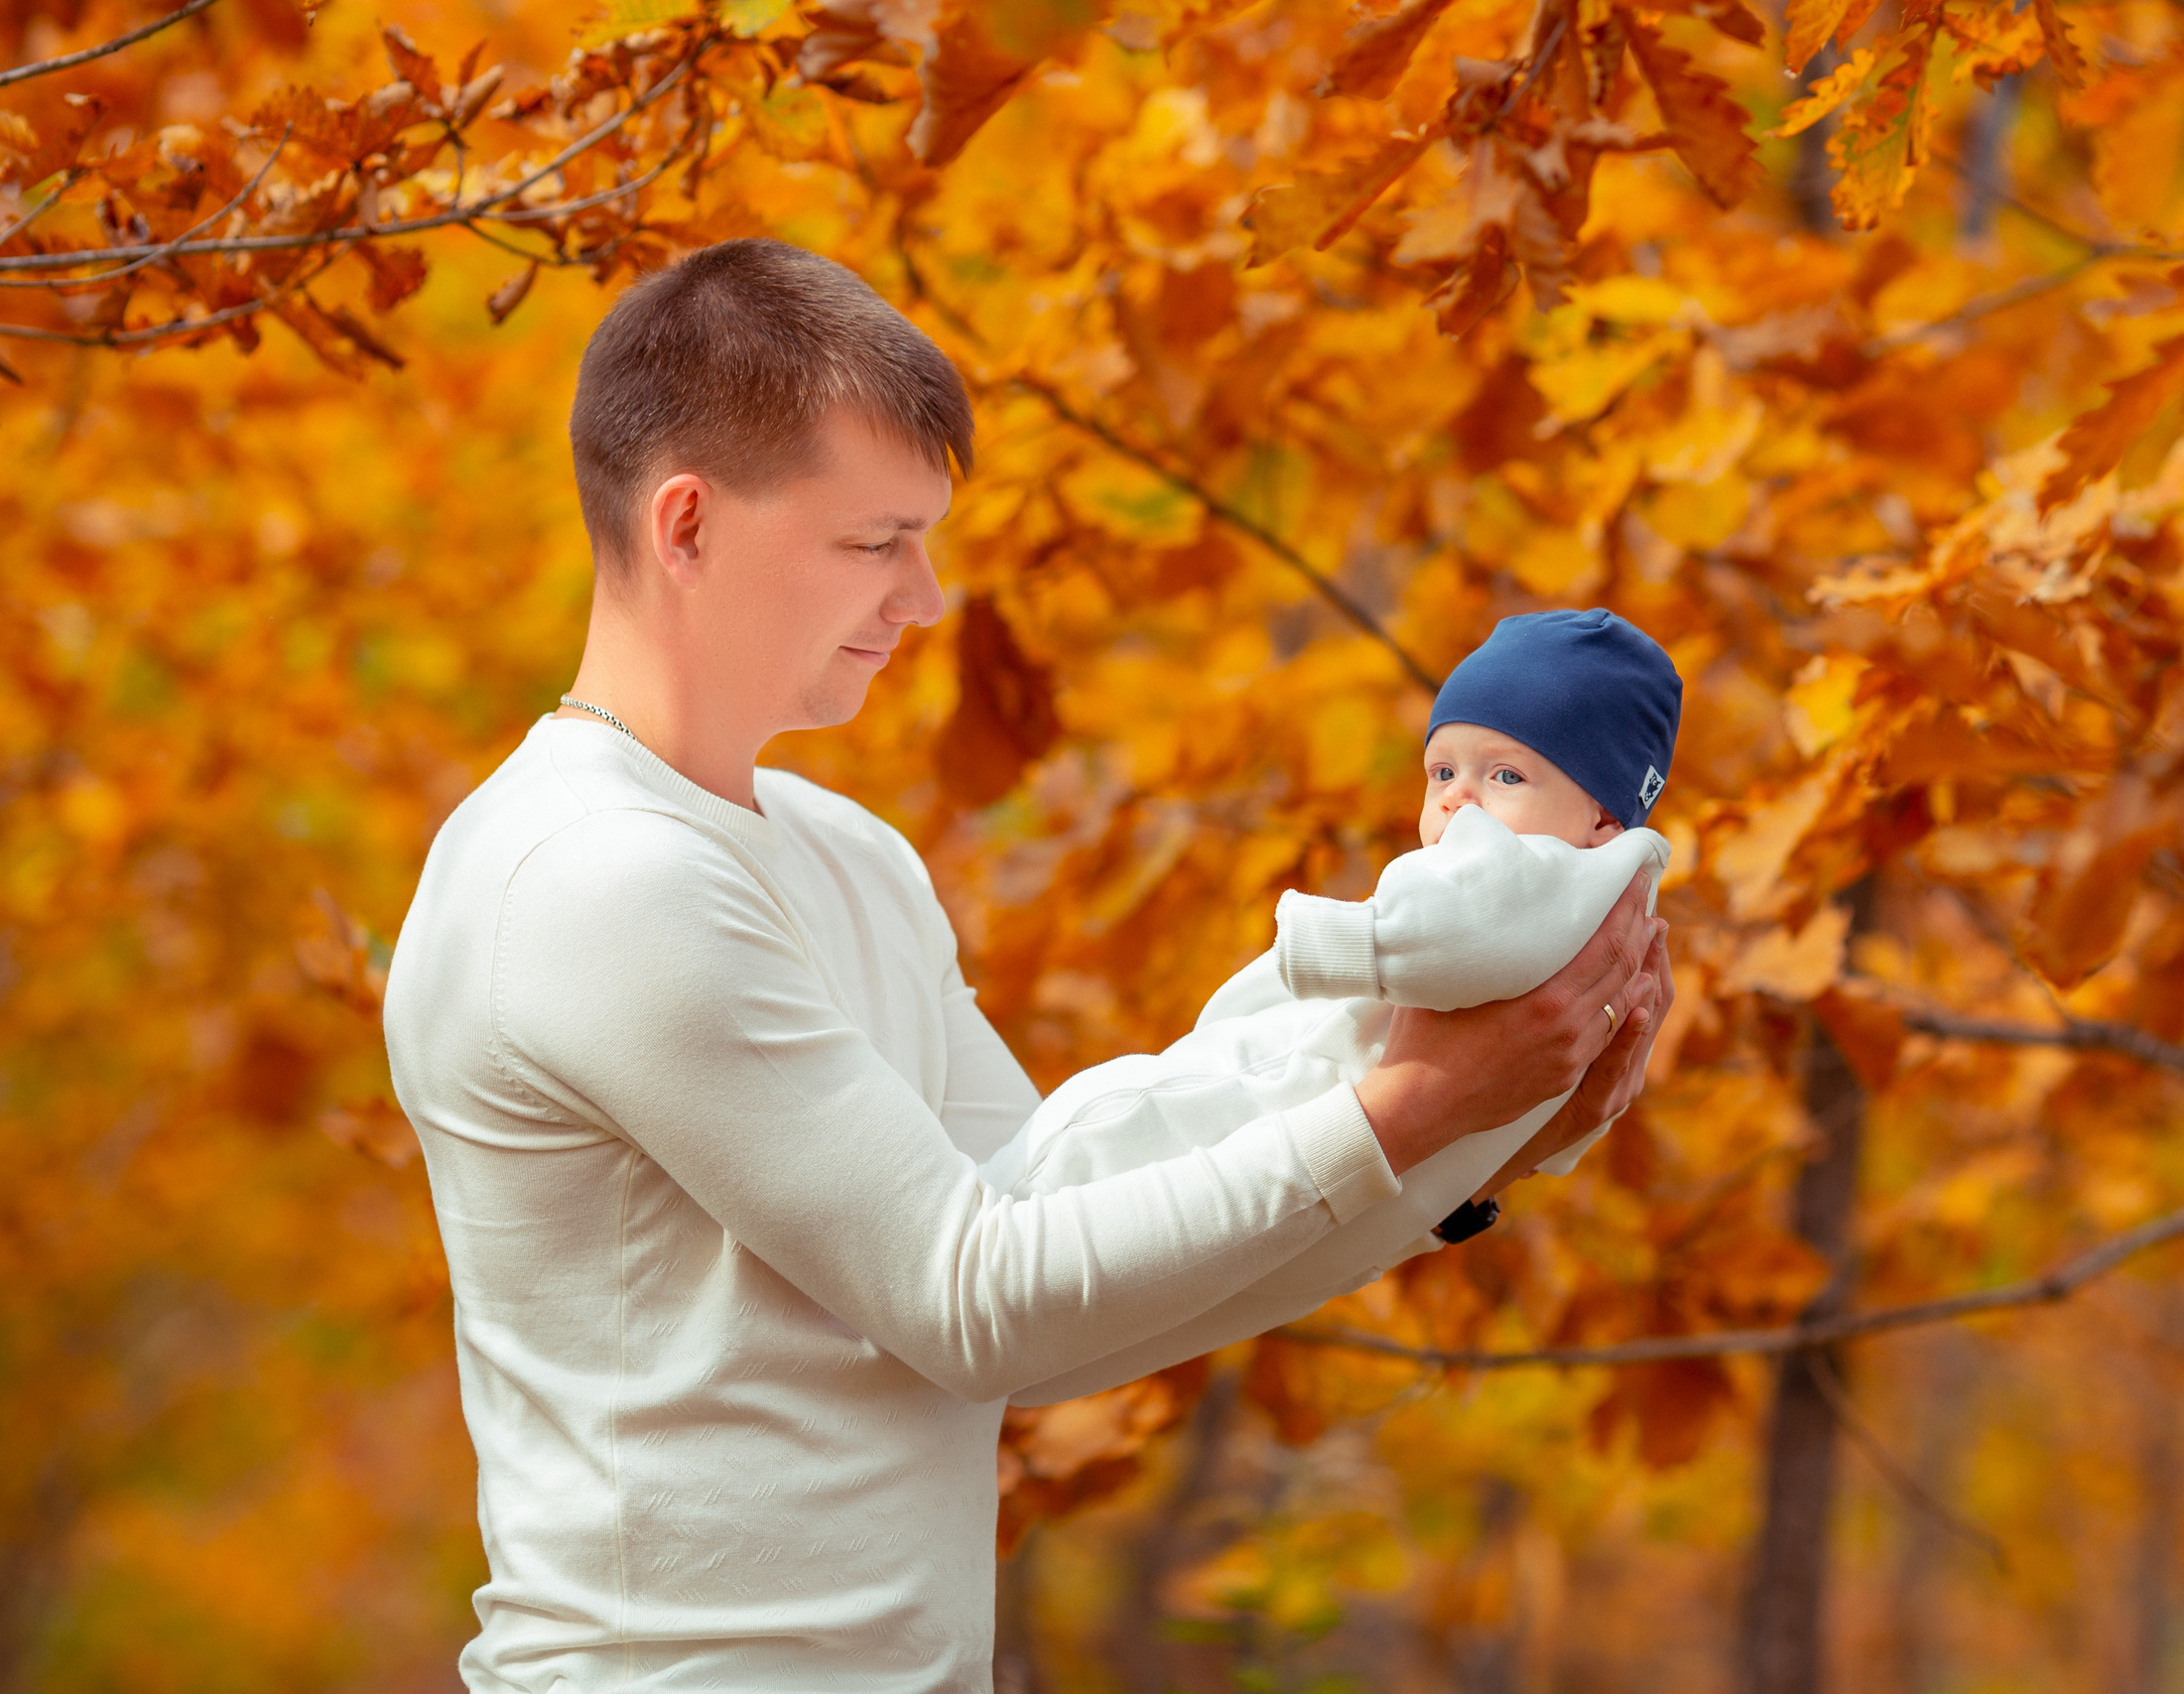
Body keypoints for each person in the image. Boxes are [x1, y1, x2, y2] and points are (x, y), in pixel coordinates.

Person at [381, 237, 1670, 1692]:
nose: (924, 597)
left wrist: (1458, 1137)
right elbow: (977, 1290)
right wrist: (1417, 1113)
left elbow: (1052, 1273)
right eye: (874, 541)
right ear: (686, 524)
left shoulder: (843, 851)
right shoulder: (593, 876)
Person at [998, 610, 1684, 1405]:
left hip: (1292, 1102)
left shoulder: (1527, 872)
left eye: (1505, 776)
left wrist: (1329, 941)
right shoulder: (1605, 915)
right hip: (1381, 1174)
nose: (1461, 803)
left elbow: (1450, 933)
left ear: (1602, 815)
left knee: (1105, 1150)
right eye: (1441, 774)